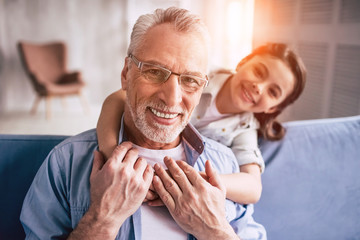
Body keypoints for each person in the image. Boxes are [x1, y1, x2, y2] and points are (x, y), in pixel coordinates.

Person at [20, 7, 266, 240]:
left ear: (202, 88)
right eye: (155, 72)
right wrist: (101, 220)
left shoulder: (225, 163)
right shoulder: (66, 163)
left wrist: (216, 231)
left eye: (190, 80)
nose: (172, 98)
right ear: (126, 74)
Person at [96, 43, 307, 205]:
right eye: (259, 72)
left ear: (272, 109)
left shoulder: (245, 128)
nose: (259, 87)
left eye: (273, 92)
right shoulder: (200, 73)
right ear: (243, 63)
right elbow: (117, 99)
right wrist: (111, 154)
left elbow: (253, 188)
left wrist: (195, 179)